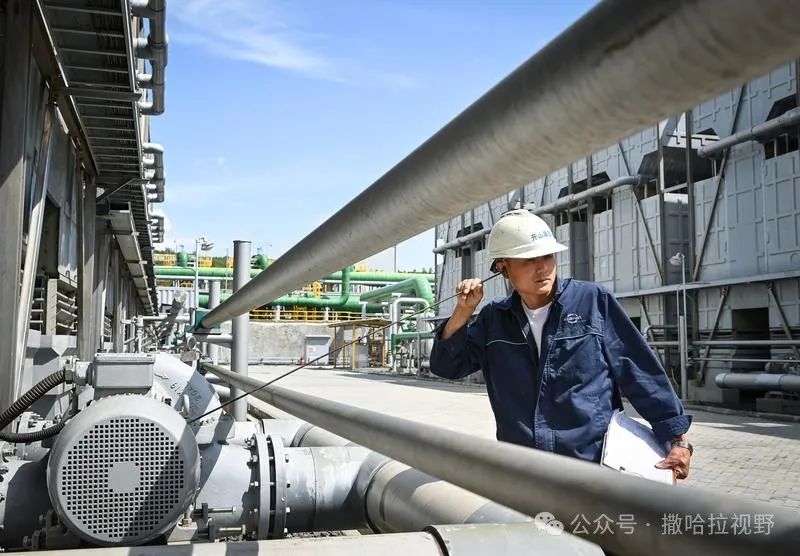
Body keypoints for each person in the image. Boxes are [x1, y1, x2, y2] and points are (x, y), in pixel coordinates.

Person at [430, 209, 692, 479]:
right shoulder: (493, 320)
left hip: (592, 467)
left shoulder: (592, 302)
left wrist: (677, 439)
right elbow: (446, 366)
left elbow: (638, 370)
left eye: (548, 256)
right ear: (503, 268)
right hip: (523, 469)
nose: (543, 267)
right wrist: (463, 312)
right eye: (529, 259)